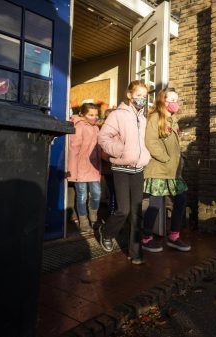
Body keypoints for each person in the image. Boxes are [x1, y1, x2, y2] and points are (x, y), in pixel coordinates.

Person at [98, 81, 151, 265]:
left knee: (137, 212)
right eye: (138, 95)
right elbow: (103, 138)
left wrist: (145, 156)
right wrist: (121, 150)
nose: (141, 99)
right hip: (121, 168)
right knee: (124, 209)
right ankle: (106, 232)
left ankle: (135, 253)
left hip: (138, 169)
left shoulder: (144, 118)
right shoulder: (117, 115)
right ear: (129, 95)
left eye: (145, 96)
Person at [141, 88, 191, 253]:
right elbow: (151, 141)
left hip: (174, 172)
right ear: (163, 100)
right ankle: (146, 238)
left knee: (181, 199)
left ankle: (173, 236)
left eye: (176, 99)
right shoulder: (156, 117)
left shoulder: (173, 120)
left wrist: (179, 159)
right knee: (155, 204)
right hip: (160, 170)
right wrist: (166, 158)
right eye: (171, 99)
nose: (174, 103)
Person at [67, 102, 102, 234]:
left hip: (93, 167)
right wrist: (72, 169)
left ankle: (93, 216)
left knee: (97, 193)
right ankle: (83, 220)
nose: (94, 117)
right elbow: (73, 148)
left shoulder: (96, 128)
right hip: (81, 166)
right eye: (91, 115)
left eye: (96, 115)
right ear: (82, 114)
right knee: (82, 195)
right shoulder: (79, 126)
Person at [100, 108, 117, 216]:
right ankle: (112, 215)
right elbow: (102, 151)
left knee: (116, 192)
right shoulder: (104, 131)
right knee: (114, 192)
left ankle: (114, 214)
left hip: (116, 166)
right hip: (109, 167)